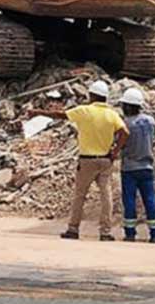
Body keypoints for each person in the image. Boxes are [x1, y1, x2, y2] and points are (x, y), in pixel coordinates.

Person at [47, 79, 129, 241]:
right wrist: (114, 152)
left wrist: (38, 112)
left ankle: (73, 229)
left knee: (80, 195)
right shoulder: (112, 114)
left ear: (92, 95)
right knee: (106, 196)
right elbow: (125, 132)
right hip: (106, 160)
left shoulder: (85, 111)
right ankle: (105, 232)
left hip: (87, 161)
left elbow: (61, 115)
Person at [119, 86, 155, 243]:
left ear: (129, 106)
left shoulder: (125, 124)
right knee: (150, 199)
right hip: (147, 166)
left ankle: (130, 233)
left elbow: (120, 143)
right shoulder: (150, 121)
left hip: (129, 168)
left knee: (129, 200)